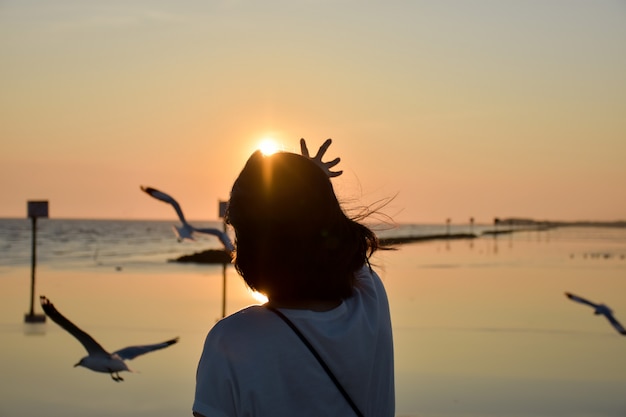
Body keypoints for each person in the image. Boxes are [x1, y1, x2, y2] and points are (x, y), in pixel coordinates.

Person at [193, 139, 395, 417]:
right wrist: (313, 184)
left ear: (250, 247)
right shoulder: (370, 302)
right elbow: (346, 245)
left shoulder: (231, 341)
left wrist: (311, 182)